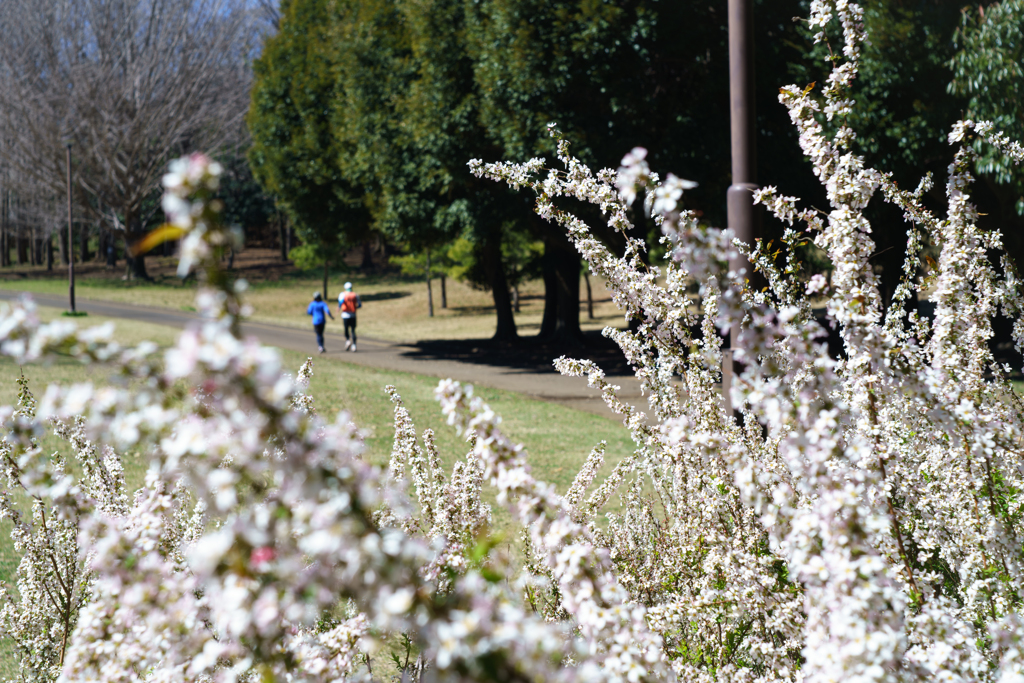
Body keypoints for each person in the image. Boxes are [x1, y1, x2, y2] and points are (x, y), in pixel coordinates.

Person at [337, 282, 362, 351]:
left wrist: (338, 308)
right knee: (353, 330)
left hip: (345, 314)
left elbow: (340, 302)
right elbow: (359, 305)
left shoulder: (342, 294)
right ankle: (354, 345)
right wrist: (354, 307)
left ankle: (347, 340)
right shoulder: (355, 295)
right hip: (353, 314)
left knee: (346, 329)